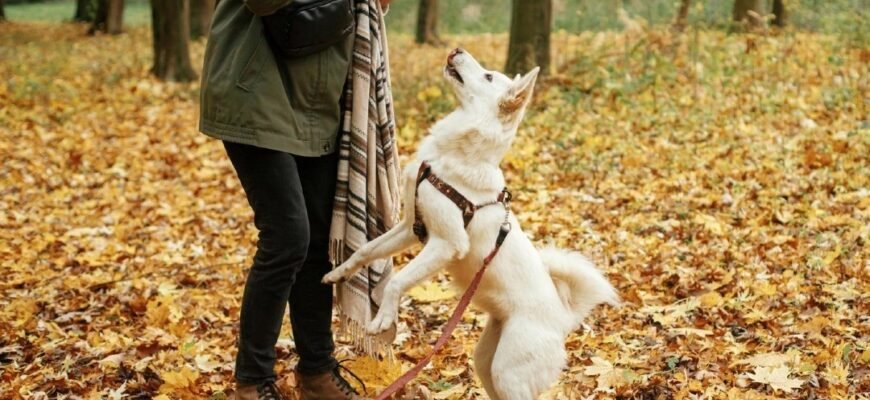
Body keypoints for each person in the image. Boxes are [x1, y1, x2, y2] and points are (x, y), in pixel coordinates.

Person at [199, 0, 391, 399]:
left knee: (320, 239)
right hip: (255, 91)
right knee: (287, 237)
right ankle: (252, 380)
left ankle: (317, 372)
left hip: (319, 102)